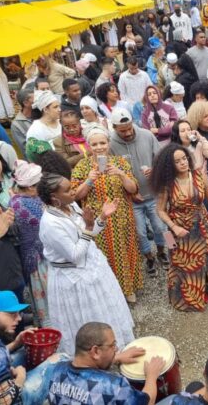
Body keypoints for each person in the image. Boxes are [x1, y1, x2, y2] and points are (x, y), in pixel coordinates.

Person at [37, 172, 135, 353]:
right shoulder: (50, 224)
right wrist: (89, 226)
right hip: (75, 280)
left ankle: (113, 346)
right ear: (54, 197)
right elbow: (75, 255)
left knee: (105, 310)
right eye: (67, 190)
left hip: (94, 270)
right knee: (87, 319)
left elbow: (90, 236)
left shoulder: (71, 205)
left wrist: (102, 218)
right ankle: (95, 354)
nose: (73, 191)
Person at [150, 143, 208, 311]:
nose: (183, 162)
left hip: (203, 224)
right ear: (170, 165)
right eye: (177, 161)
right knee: (181, 262)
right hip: (177, 230)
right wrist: (173, 227)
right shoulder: (166, 185)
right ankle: (190, 296)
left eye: (184, 158)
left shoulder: (199, 175)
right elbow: (160, 211)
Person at [71, 126, 142, 303]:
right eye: (94, 144)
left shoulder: (120, 163)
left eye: (102, 142)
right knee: (103, 255)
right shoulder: (83, 166)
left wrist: (121, 174)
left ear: (108, 143)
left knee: (125, 251)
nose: (99, 147)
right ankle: (108, 291)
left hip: (122, 216)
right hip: (97, 219)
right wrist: (89, 179)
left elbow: (133, 189)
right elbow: (76, 196)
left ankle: (128, 288)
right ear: (89, 146)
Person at [47, 321, 164, 405]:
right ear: (95, 351)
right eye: (112, 345)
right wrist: (151, 377)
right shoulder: (113, 386)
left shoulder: (56, 371)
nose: (116, 349)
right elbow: (147, 402)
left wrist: (116, 358)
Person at [110, 107, 167, 277]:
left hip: (154, 193)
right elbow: (112, 175)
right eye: (122, 131)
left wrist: (154, 170)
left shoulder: (147, 135)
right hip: (132, 199)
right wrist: (130, 192)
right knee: (140, 232)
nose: (127, 133)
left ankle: (164, 251)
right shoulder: (111, 144)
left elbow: (161, 159)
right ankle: (149, 258)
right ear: (114, 128)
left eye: (129, 128)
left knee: (161, 226)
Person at [9, 160, 48, 326]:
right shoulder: (22, 205)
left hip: (39, 253)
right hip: (38, 256)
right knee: (48, 295)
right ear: (31, 187)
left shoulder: (21, 200)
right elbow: (45, 223)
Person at [26, 90, 62, 161]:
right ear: (46, 109)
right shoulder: (36, 130)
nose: (59, 109)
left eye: (59, 106)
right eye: (55, 107)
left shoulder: (61, 122)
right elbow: (36, 155)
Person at [12, 89, 34, 158]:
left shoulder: (43, 114)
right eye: (35, 100)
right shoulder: (16, 125)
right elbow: (25, 149)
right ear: (25, 103)